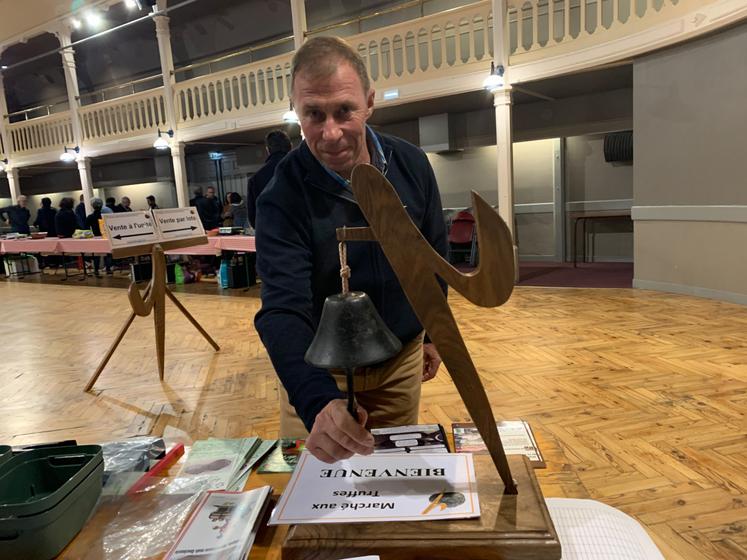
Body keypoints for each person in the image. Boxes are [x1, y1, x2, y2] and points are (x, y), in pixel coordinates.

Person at [254, 37, 447, 464]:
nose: (331, 133)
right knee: (319, 493)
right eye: (313, 115)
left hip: (400, 362)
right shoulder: (281, 194)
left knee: (394, 480)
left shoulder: (412, 165)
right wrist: (316, 400)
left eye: (344, 111)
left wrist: (432, 335)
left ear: (370, 102)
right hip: (319, 374)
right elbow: (282, 309)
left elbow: (432, 256)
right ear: (296, 112)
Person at [247, 129, 291, 229]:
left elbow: (254, 219)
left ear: (267, 150)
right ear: (290, 147)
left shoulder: (255, 179)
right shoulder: (304, 170)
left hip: (271, 236)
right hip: (303, 238)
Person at [84, 198, 112, 276]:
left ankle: (96, 270)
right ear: (102, 205)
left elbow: (86, 228)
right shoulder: (105, 216)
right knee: (108, 253)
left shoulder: (90, 217)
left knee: (96, 255)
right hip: (106, 236)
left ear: (92, 206)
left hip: (96, 237)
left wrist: (90, 236)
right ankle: (108, 269)